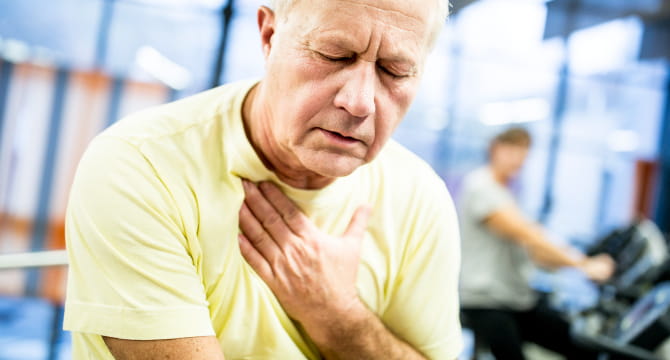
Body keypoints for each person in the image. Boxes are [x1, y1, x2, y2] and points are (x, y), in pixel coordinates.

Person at [63, 0, 463, 359]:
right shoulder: (143, 164)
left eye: (394, 71)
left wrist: (336, 314)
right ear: (268, 36)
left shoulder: (420, 197)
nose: (359, 102)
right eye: (334, 54)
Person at [458, 127, 616, 360]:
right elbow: (527, 234)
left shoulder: (505, 192)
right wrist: (584, 264)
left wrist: (575, 263)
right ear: (495, 148)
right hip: (484, 302)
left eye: (524, 152)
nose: (519, 159)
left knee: (579, 345)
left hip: (515, 298)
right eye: (512, 150)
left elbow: (536, 251)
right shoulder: (481, 186)